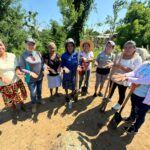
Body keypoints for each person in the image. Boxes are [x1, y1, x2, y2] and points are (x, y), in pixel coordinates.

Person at [112, 61, 150, 134]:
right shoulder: (146, 63)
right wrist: (124, 75)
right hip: (135, 92)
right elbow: (134, 72)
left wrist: (127, 78)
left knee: (140, 114)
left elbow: (145, 80)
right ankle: (131, 118)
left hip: (145, 98)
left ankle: (135, 128)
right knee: (134, 108)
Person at [108, 40, 142, 110]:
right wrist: (112, 64)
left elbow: (135, 71)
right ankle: (109, 97)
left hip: (124, 79)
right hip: (115, 75)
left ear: (134, 48)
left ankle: (119, 103)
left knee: (121, 92)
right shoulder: (120, 54)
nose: (127, 49)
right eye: (126, 47)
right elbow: (114, 63)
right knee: (111, 88)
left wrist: (121, 67)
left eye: (130, 47)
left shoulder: (137, 58)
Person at [0, 40, 27, 117]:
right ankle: (14, 109)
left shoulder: (12, 55)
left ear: (4, 45)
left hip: (16, 81)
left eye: (1, 44)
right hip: (4, 85)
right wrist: (1, 77)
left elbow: (17, 66)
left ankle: (22, 105)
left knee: (20, 96)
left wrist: (18, 71)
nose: (0, 47)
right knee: (11, 100)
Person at [19, 37, 46, 113]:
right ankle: (34, 104)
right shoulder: (22, 55)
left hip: (40, 76)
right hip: (30, 78)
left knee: (39, 89)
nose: (31, 45)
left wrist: (45, 67)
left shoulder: (38, 53)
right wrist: (30, 73)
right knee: (33, 92)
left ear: (35, 45)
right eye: (29, 44)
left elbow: (42, 63)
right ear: (26, 45)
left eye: (32, 44)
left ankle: (40, 99)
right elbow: (22, 68)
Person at [61, 38, 79, 107]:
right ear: (66, 47)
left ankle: (73, 94)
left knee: (73, 84)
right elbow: (62, 65)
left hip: (74, 73)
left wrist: (79, 66)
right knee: (66, 84)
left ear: (73, 46)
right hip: (66, 73)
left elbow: (79, 62)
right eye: (68, 46)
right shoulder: (64, 55)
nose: (70, 47)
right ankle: (67, 95)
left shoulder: (77, 54)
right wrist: (64, 68)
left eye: (71, 45)